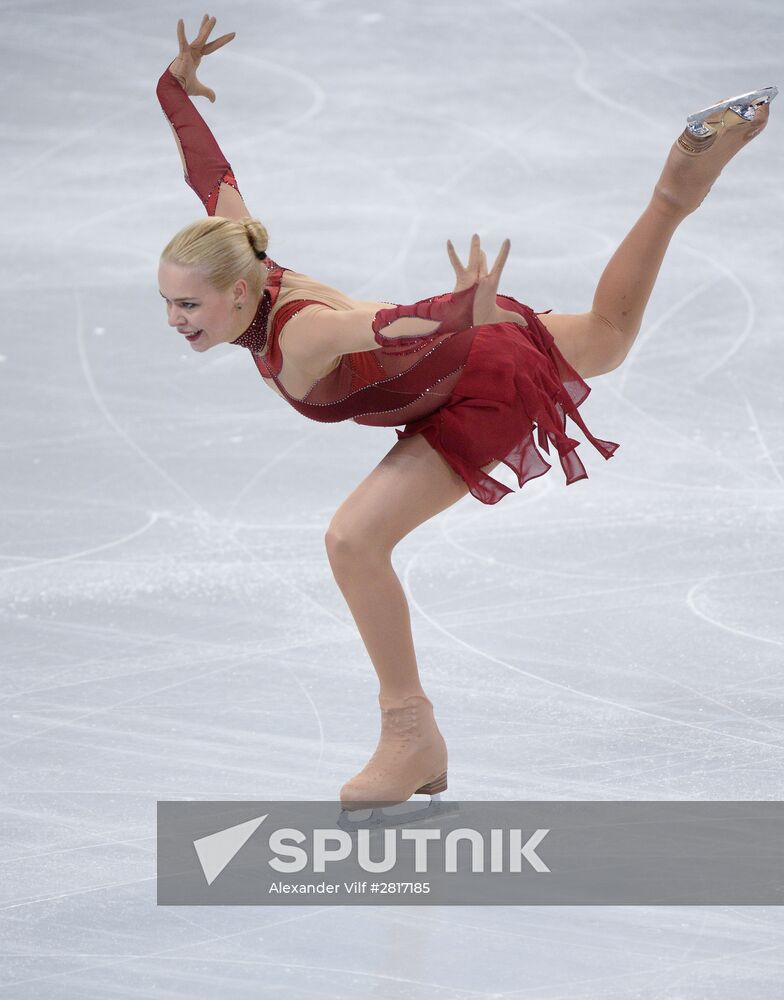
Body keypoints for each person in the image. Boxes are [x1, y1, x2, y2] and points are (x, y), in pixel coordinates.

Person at [156, 15, 776, 816]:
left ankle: (410, 734)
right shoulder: (240, 246)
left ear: (237, 294)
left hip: (472, 373)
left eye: (186, 303)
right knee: (611, 337)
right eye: (167, 301)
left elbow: (379, 327)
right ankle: (680, 176)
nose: (173, 318)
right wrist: (172, 87)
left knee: (353, 540)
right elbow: (207, 169)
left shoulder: (299, 331)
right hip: (477, 340)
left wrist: (453, 311)